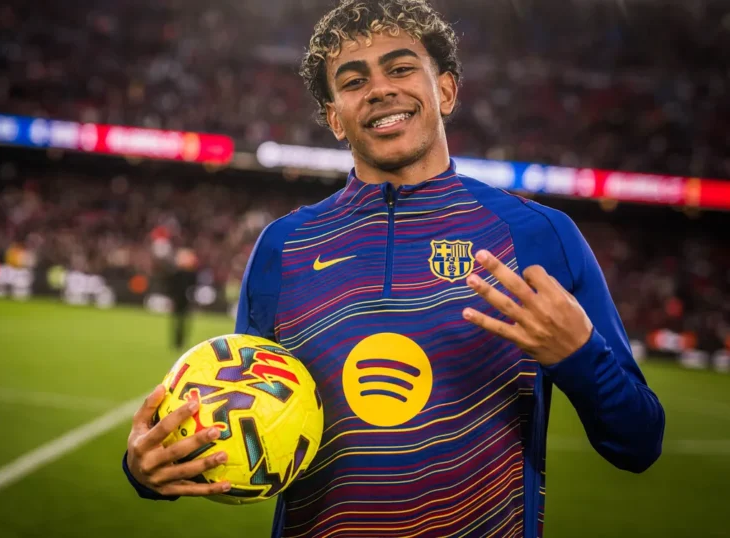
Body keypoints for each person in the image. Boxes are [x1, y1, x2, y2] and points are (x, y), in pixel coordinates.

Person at [122, 1, 665, 536]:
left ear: (446, 91)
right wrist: (149, 470)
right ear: (335, 118)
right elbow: (243, 420)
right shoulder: (283, 248)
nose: (380, 89)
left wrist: (579, 356)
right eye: (354, 81)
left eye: (401, 68)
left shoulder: (539, 236)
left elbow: (639, 443)